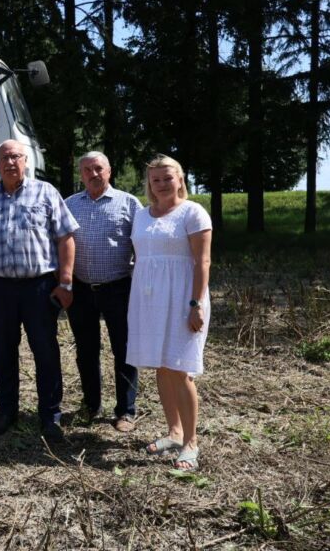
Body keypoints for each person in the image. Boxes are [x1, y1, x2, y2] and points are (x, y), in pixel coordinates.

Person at [0, 140, 78, 441]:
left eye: (15, 156)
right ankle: (7, 412)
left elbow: (66, 237)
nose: (10, 162)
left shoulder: (46, 192)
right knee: (4, 352)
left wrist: (66, 282)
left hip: (39, 287)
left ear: (26, 160)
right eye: (4, 158)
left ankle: (50, 416)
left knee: (45, 351)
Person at [127, 154, 212, 471]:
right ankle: (174, 432)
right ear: (149, 183)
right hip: (149, 300)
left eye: (167, 178)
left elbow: (202, 262)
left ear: (180, 179)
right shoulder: (141, 215)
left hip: (182, 299)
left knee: (179, 368)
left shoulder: (192, 212)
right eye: (156, 179)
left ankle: (191, 442)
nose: (162, 184)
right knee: (161, 366)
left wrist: (195, 304)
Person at [65, 151, 141, 432]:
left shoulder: (129, 203)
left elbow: (141, 245)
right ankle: (91, 405)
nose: (93, 174)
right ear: (81, 174)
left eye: (98, 168)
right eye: (86, 170)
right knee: (86, 350)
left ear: (109, 171)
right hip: (81, 288)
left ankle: (126, 411)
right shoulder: (69, 204)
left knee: (124, 350)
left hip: (118, 288)